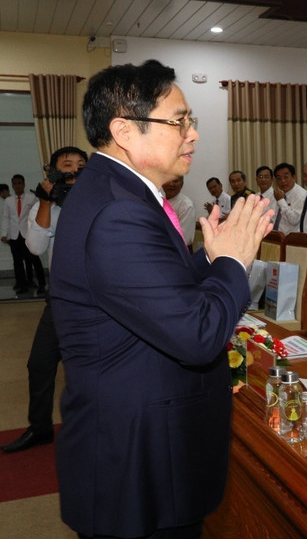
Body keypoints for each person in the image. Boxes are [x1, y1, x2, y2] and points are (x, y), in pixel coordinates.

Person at [50, 59, 274, 539]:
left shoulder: (117, 192)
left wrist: (209, 259)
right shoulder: (119, 211)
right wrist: (233, 262)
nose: (192, 134)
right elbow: (197, 335)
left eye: (191, 121)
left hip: (144, 446)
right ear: (124, 131)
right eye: (178, 122)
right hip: (138, 462)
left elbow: (152, 290)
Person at [1, 147, 87, 455]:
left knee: (85, 371)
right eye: (67, 165)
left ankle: (92, 431)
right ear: (51, 172)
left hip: (94, 304)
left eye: (81, 165)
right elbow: (36, 247)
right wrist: (47, 201)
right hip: (60, 301)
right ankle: (39, 429)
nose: (74, 170)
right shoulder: (44, 204)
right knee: (39, 364)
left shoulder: (97, 201)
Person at [2, 173, 44, 294]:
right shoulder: (8, 201)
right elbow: (6, 218)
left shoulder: (31, 198)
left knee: (34, 260)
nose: (17, 186)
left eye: (19, 183)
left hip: (28, 234)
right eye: (15, 184)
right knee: (17, 262)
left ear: (24, 184)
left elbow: (36, 215)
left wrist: (37, 232)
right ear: (12, 186)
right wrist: (4, 234)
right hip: (14, 235)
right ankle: (21, 285)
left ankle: (42, 284)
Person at [273, 162, 307, 235]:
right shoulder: (280, 193)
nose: (283, 181)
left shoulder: (301, 195)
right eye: (279, 178)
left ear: (294, 177)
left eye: (286, 177)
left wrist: (281, 201)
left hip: (293, 239)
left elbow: (294, 220)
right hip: (278, 237)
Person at [162, 175, 197, 246]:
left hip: (179, 249)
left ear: (181, 185)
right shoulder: (159, 201)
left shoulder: (186, 205)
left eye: (175, 181)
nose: (171, 184)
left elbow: (183, 238)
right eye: (168, 180)